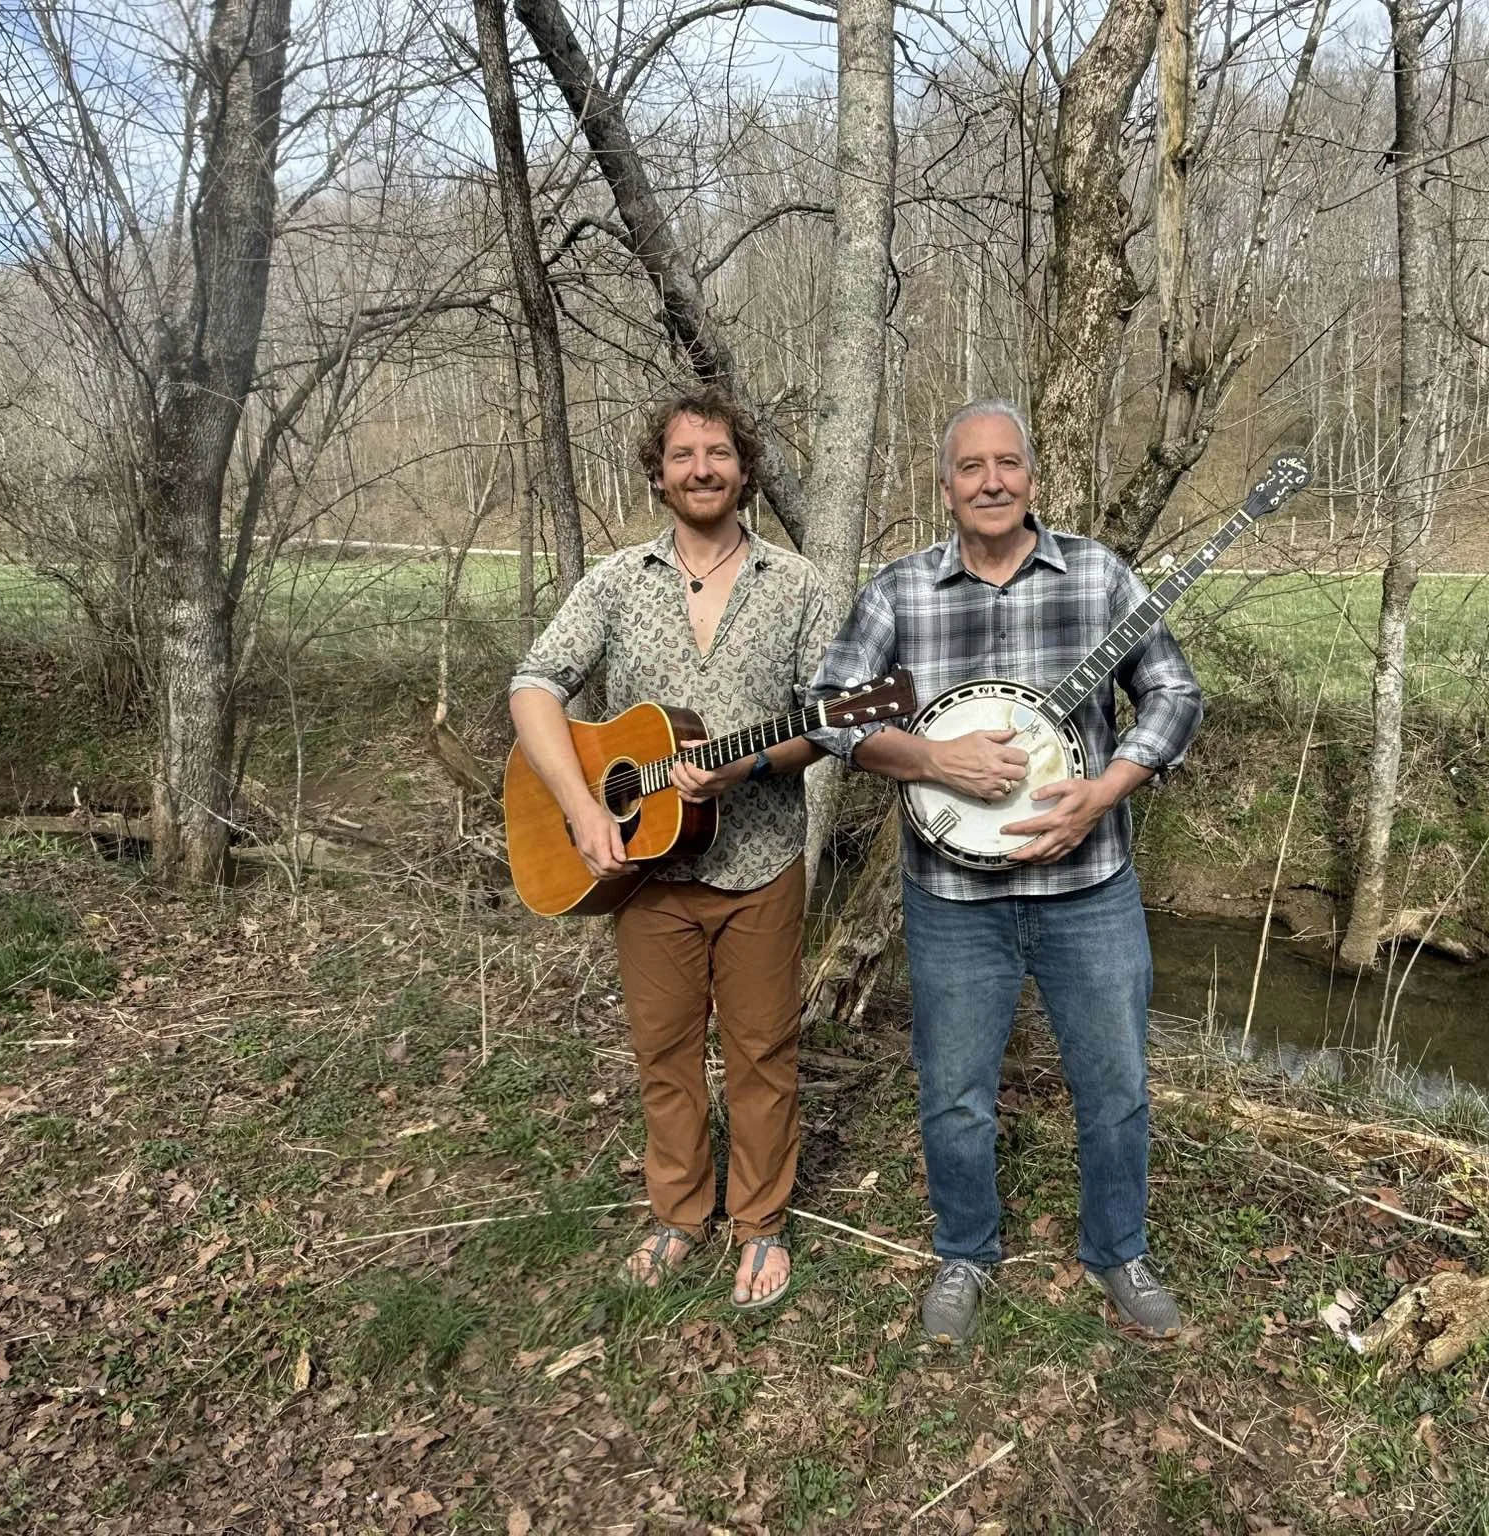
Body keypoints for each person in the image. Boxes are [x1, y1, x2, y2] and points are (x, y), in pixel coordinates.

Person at [809, 399, 1203, 1343]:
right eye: (970, 467)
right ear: (944, 486)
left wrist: (1106, 789)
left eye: (1008, 464)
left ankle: (1120, 1251)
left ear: (1032, 476)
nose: (991, 482)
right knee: (953, 1090)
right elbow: (829, 709)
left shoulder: (1097, 573)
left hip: (1089, 888)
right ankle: (964, 1253)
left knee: (1114, 1085)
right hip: (954, 900)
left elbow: (1173, 691)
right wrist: (930, 759)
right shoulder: (902, 594)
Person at [509, 388, 831, 1309]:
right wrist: (581, 808)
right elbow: (536, 683)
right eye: (684, 454)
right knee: (665, 1052)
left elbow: (826, 723)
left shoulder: (799, 586)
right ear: (658, 472)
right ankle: (680, 1214)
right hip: (645, 872)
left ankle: (760, 1225)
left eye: (719, 453)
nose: (702, 468)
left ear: (743, 469)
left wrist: (752, 763)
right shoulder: (616, 581)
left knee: (764, 1050)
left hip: (760, 859)